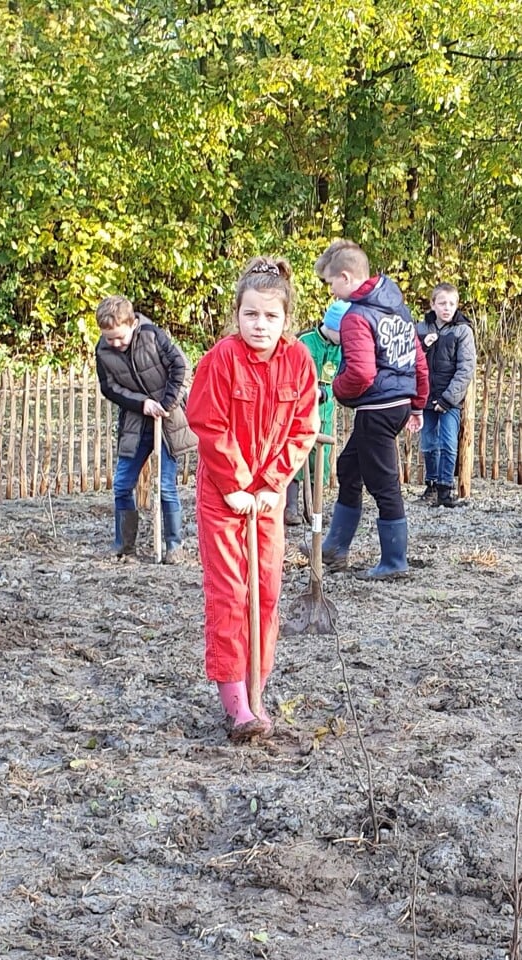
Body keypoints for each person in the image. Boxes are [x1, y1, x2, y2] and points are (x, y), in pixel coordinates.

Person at [185, 258, 319, 741]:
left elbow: (304, 428)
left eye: (270, 316)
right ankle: (237, 704)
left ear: (286, 319)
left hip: (267, 499)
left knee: (265, 591)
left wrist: (270, 484)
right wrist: (238, 484)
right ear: (236, 315)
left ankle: (258, 691)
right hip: (224, 499)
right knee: (231, 594)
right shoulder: (221, 359)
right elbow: (208, 425)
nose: (259, 325)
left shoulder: (298, 361)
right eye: (250, 315)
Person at [314, 239, 428, 579]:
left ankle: (394, 563)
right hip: (397, 404)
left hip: (377, 407)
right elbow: (418, 360)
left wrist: (335, 389)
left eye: (331, 283)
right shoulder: (398, 310)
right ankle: (335, 548)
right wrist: (418, 403)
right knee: (350, 469)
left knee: (384, 484)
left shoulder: (356, 317)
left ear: (346, 278)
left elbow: (362, 373)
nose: (332, 292)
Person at [94, 295, 193, 562]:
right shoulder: (103, 351)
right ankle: (124, 546)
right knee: (123, 485)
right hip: (136, 422)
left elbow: (180, 366)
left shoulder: (152, 336)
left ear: (133, 324)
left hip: (168, 420)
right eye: (109, 338)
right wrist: (143, 404)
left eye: (120, 338)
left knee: (165, 486)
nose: (115, 344)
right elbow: (110, 388)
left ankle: (174, 546)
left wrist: (166, 403)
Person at [286, 299, 347, 526]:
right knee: (295, 456)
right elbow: (294, 375)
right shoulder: (305, 343)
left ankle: (314, 509)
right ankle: (290, 507)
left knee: (319, 462)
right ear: (331, 326)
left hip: (325, 409)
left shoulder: (342, 348)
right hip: (300, 409)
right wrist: (311, 391)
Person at [416, 283, 477, 509]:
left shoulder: (463, 331)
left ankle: (445, 488)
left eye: (451, 304)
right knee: (429, 443)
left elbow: (466, 369)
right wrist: (423, 346)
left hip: (450, 399)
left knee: (449, 442)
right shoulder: (420, 329)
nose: (447, 308)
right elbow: (410, 359)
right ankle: (431, 485)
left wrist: (448, 399)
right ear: (433, 304)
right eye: (442, 303)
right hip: (425, 397)